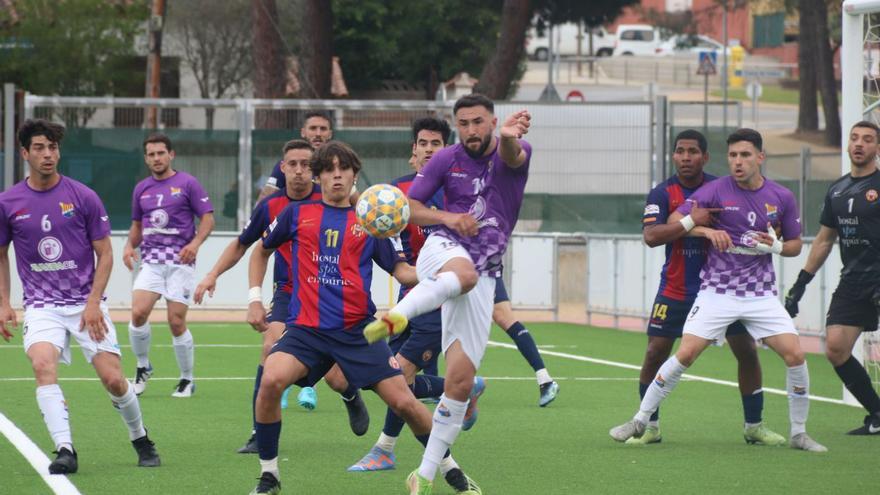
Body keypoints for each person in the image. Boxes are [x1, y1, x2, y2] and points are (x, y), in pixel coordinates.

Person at [248, 141, 479, 495]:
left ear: (355, 175)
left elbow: (402, 271)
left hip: (357, 333)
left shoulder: (373, 221)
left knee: (405, 403)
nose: (336, 175)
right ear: (318, 174)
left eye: (344, 169)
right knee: (270, 381)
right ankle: (269, 476)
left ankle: (451, 470)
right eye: (328, 169)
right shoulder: (297, 214)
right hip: (306, 331)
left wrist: (446, 276)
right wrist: (254, 298)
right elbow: (260, 250)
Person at [609, 128, 826, 452]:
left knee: (794, 355)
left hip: (760, 295)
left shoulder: (781, 196)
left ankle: (797, 433)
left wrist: (777, 245)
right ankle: (641, 421)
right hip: (714, 293)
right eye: (734, 156)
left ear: (760, 157)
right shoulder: (713, 191)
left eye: (745, 155)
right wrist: (707, 231)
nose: (738, 162)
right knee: (683, 354)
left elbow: (795, 246)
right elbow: (671, 222)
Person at [363, 94, 534, 493]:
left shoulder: (516, 147)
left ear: (492, 121)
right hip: (441, 253)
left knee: (459, 382)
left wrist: (508, 136)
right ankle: (396, 316)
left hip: (483, 276)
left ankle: (422, 474)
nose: (471, 130)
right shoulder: (445, 159)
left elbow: (512, 156)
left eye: (478, 122)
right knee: (465, 273)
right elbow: (410, 206)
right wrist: (448, 218)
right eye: (463, 123)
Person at [0, 119, 160, 473]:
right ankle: (65, 450)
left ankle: (141, 438)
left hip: (86, 303)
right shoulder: (8, 202)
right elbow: (0, 254)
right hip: (41, 306)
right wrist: (3, 302)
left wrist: (92, 304)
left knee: (114, 380)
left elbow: (105, 254)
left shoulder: (82, 196)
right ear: (25, 153)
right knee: (43, 366)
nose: (47, 154)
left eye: (52, 147)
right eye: (39, 148)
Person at [625, 129, 779, 445]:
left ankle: (754, 426)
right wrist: (692, 223)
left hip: (723, 288)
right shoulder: (662, 193)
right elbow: (652, 237)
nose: (685, 157)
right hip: (676, 288)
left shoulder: (722, 189)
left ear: (705, 157)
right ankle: (650, 426)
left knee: (747, 352)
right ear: (673, 156)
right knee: (655, 353)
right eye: (680, 151)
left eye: (692, 151)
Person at [784, 120, 880, 435]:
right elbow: (825, 241)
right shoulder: (837, 190)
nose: (859, 144)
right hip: (854, 282)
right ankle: (878, 415)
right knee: (836, 348)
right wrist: (800, 285)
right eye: (854, 138)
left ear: (877, 148)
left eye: (867, 139)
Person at [123, 134, 215, 398]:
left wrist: (195, 244)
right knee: (138, 313)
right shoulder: (141, 188)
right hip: (151, 262)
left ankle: (187, 379)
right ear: (146, 158)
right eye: (151, 154)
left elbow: (207, 219)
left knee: (175, 322)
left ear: (171, 155)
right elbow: (137, 225)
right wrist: (130, 246)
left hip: (180, 262)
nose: (156, 158)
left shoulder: (188, 183)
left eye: (161, 153)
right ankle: (143, 367)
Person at [256, 111, 333, 203]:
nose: (318, 134)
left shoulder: (336, 165)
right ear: (303, 132)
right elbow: (265, 198)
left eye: (323, 129)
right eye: (313, 128)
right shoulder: (287, 165)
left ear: (330, 134)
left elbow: (351, 199)